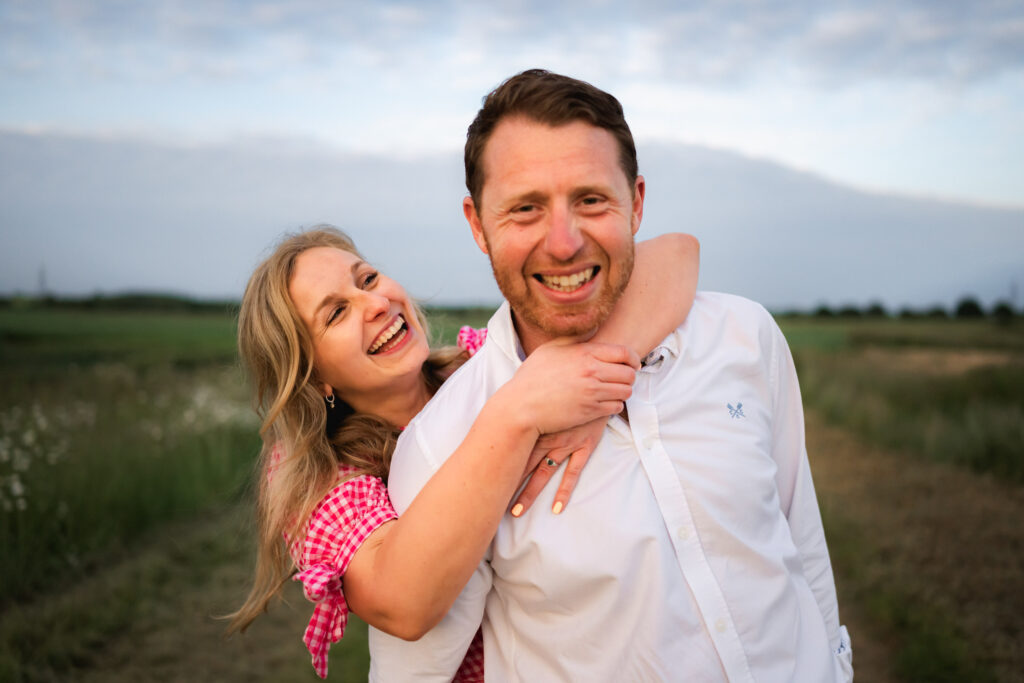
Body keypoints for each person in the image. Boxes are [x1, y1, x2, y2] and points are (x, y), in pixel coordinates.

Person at [370, 70, 854, 681]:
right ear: (477, 225)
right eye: (525, 209)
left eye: (591, 200)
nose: (565, 242)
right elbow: (415, 673)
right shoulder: (444, 444)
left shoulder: (744, 336)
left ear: (638, 203)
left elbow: (800, 545)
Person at [227, 225, 700, 678]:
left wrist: (598, 379)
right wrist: (515, 413)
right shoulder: (325, 482)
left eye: (368, 278)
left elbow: (677, 253)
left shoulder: (478, 363)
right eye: (336, 313)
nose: (375, 303)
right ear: (312, 375)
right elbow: (403, 602)